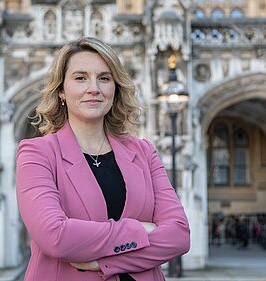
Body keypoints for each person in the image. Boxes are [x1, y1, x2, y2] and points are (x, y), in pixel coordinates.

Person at [16, 37, 190, 281]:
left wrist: (103, 261)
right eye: (80, 78)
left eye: (104, 78)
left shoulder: (143, 152)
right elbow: (55, 237)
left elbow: (179, 235)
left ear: (115, 88)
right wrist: (141, 229)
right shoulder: (37, 153)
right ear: (62, 91)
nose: (93, 88)